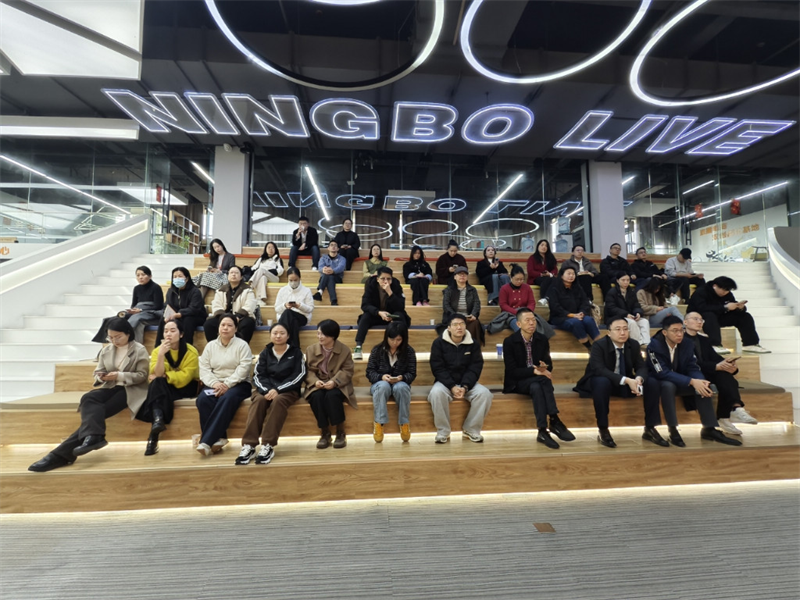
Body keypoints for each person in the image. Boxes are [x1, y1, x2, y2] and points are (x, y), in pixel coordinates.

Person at [28, 318, 150, 472]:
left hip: (131, 389)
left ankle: (60, 455)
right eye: (111, 337)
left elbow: (142, 376)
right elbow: (98, 371)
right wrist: (101, 376)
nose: (114, 341)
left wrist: (119, 375)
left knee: (94, 417)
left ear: (128, 333)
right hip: (110, 386)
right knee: (88, 398)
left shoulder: (139, 350)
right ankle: (93, 437)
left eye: (118, 337)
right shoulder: (107, 350)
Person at [645, 315, 742, 447]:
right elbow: (662, 372)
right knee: (668, 386)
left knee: (703, 386)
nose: (679, 334)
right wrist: (691, 381)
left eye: (681, 330)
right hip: (659, 380)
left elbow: (692, 366)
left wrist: (699, 380)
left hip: (682, 379)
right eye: (675, 331)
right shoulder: (654, 345)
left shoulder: (687, 343)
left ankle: (709, 428)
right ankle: (673, 429)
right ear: (665, 332)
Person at [573, 317, 659, 449]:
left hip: (624, 382)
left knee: (652, 382)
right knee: (602, 382)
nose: (622, 333)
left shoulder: (633, 344)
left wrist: (638, 379)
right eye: (618, 329)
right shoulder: (599, 345)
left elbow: (641, 366)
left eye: (625, 329)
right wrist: (627, 380)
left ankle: (650, 428)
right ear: (609, 332)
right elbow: (599, 370)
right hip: (599, 381)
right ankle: (603, 429)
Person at [235, 323, 307, 465]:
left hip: (287, 390)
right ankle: (249, 445)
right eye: (275, 333)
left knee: (278, 400)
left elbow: (299, 376)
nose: (278, 336)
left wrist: (278, 389)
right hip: (265, 389)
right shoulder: (265, 353)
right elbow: (258, 375)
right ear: (270, 335)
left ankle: (267, 445)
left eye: (282, 333)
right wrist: (267, 390)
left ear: (288, 335)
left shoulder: (296, 353)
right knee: (259, 401)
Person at [503, 308, 575, 449]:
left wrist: (544, 367)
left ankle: (542, 430)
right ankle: (554, 419)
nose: (531, 323)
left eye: (533, 320)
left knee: (537, 386)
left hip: (536, 381)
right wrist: (534, 371)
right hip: (517, 382)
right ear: (518, 324)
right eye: (527, 320)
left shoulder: (542, 339)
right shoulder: (510, 342)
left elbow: (549, 365)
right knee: (543, 380)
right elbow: (512, 372)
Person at [683, 312, 758, 436]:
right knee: (721, 375)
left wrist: (730, 366)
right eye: (695, 319)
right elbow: (688, 363)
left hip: (706, 371)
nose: (699, 322)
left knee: (726, 377)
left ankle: (734, 410)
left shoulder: (704, 339)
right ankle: (728, 414)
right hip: (690, 374)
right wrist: (716, 366)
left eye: (701, 320)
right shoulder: (680, 339)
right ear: (685, 322)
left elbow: (715, 358)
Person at [428, 313, 493, 444]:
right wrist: (452, 386)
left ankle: (471, 429)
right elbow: (438, 368)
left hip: (467, 383)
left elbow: (475, 367)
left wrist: (465, 386)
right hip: (445, 383)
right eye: (455, 324)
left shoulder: (473, 344)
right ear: (449, 328)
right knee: (436, 393)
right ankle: (443, 431)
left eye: (462, 324)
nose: (459, 327)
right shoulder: (438, 343)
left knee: (485, 394)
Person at [195, 314, 253, 456]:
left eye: (229, 325)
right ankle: (219, 438)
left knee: (227, 398)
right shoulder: (210, 346)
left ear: (236, 329)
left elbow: (244, 369)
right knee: (203, 399)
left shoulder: (242, 345)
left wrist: (227, 384)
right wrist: (215, 383)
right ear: (218, 328)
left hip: (239, 384)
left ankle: (206, 441)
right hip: (215, 383)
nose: (225, 328)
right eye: (223, 325)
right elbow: (204, 369)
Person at [139, 319, 199, 456]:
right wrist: (161, 355)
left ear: (181, 334)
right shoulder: (157, 351)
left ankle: (155, 432)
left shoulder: (191, 351)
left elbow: (185, 377)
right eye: (165, 331)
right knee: (157, 385)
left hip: (188, 386)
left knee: (157, 388)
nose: (168, 334)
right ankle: (157, 423)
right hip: (166, 386)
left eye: (172, 331)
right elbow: (158, 373)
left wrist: (167, 376)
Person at [305, 319, 356, 449]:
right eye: (318, 333)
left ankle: (340, 432)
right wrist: (315, 381)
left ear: (332, 336)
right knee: (316, 396)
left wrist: (334, 382)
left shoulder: (344, 350)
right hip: (318, 383)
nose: (320, 337)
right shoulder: (310, 349)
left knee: (332, 396)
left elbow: (347, 371)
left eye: (323, 334)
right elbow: (308, 370)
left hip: (338, 384)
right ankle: (325, 433)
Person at [687, 276, 770, 354]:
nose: (725, 292)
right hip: (700, 318)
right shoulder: (701, 291)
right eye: (723, 289)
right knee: (709, 315)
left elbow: (731, 304)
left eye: (728, 290)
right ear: (715, 286)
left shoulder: (727, 294)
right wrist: (724, 307)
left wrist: (739, 307)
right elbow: (701, 308)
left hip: (718, 317)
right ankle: (715, 345)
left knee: (745, 316)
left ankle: (750, 344)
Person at [365, 322, 417, 443]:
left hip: (400, 383)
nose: (394, 343)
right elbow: (369, 372)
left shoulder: (409, 351)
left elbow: (412, 373)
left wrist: (402, 378)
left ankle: (404, 423)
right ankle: (379, 423)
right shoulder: (377, 350)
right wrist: (381, 377)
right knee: (383, 386)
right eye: (392, 339)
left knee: (401, 388)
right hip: (380, 383)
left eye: (398, 340)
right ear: (386, 337)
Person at [92, 266, 164, 345]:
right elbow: (133, 305)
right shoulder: (136, 288)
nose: (140, 277)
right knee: (114, 318)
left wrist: (141, 310)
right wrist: (132, 310)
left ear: (150, 276)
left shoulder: (156, 287)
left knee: (137, 318)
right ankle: (108, 338)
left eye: (143, 275)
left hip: (150, 312)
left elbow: (158, 306)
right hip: (137, 310)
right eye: (138, 275)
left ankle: (126, 334)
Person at [353, 266, 410, 360]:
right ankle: (358, 347)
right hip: (377, 315)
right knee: (365, 317)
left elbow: (400, 307)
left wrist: (390, 292)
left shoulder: (396, 286)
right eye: (383, 278)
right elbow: (365, 305)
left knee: (401, 316)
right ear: (377, 279)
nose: (386, 281)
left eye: (389, 279)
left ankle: (403, 348)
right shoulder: (370, 285)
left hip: (392, 315)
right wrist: (378, 312)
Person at [547, 266, 601, 349]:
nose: (571, 276)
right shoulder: (554, 289)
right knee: (576, 323)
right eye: (568, 274)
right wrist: (572, 315)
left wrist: (582, 313)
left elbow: (585, 302)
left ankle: (600, 345)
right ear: (562, 276)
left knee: (589, 320)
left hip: (579, 315)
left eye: (573, 274)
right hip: (560, 317)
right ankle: (589, 347)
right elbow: (555, 307)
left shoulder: (578, 288)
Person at [203, 265, 258, 343]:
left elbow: (250, 304)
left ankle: (241, 347)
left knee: (248, 323)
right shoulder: (221, 290)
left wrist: (238, 316)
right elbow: (216, 304)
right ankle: (216, 346)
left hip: (241, 318)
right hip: (222, 317)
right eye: (231, 273)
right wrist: (224, 317)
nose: (233, 274)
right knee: (209, 324)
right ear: (228, 276)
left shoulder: (248, 290)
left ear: (241, 277)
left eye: (236, 273)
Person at [156, 267, 205, 346]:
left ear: (187, 278)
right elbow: (167, 305)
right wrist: (167, 315)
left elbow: (194, 308)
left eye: (180, 276)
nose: (177, 279)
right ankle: (159, 346)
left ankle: (186, 346)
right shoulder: (171, 291)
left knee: (187, 319)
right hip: (176, 316)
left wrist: (179, 314)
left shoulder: (195, 291)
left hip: (195, 316)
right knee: (163, 319)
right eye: (175, 277)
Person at [604, 273, 651, 347]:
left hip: (629, 316)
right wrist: (626, 314)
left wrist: (637, 313)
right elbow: (611, 308)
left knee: (644, 321)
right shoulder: (612, 292)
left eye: (628, 280)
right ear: (617, 281)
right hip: (615, 317)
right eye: (623, 280)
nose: (626, 282)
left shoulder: (631, 291)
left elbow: (636, 304)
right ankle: (637, 344)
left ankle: (647, 344)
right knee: (632, 323)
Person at [441, 265, 484, 346]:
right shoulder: (449, 290)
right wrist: (455, 316)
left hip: (468, 318)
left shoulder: (472, 290)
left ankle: (473, 347)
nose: (462, 276)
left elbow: (477, 304)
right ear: (455, 277)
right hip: (453, 317)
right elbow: (446, 306)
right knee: (455, 323)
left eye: (464, 274)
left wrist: (474, 315)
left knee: (475, 323)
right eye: (459, 274)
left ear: (467, 277)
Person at [274, 267, 314, 349]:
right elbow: (277, 309)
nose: (293, 282)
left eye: (295, 280)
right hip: (287, 318)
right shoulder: (282, 290)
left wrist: (299, 306)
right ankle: (295, 348)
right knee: (292, 320)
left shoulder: (306, 290)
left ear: (299, 278)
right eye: (291, 280)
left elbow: (310, 309)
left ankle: (282, 345)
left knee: (288, 313)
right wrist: (285, 305)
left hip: (302, 316)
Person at [497, 265, 536, 332]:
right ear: (511, 277)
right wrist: (517, 313)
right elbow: (503, 305)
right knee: (519, 326)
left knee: (535, 325)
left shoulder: (527, 287)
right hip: (510, 315)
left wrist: (527, 312)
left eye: (522, 279)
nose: (519, 281)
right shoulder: (504, 288)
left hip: (526, 313)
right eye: (517, 279)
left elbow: (531, 302)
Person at [313, 240, 346, 306]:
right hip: (324, 278)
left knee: (330, 276)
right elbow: (320, 267)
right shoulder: (323, 258)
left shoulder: (342, 259)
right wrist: (323, 270)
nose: (333, 247)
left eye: (335, 245)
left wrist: (333, 271)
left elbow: (341, 267)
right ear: (328, 248)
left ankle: (320, 292)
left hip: (337, 278)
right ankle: (333, 301)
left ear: (338, 249)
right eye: (331, 245)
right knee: (329, 277)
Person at [526, 239, 558, 305]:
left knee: (554, 280)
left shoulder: (551, 257)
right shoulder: (532, 258)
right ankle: (544, 297)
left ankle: (545, 298)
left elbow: (555, 269)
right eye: (542, 245)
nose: (544, 247)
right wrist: (541, 274)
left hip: (548, 277)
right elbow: (530, 271)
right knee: (549, 280)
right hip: (536, 278)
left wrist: (550, 274)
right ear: (538, 246)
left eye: (546, 246)